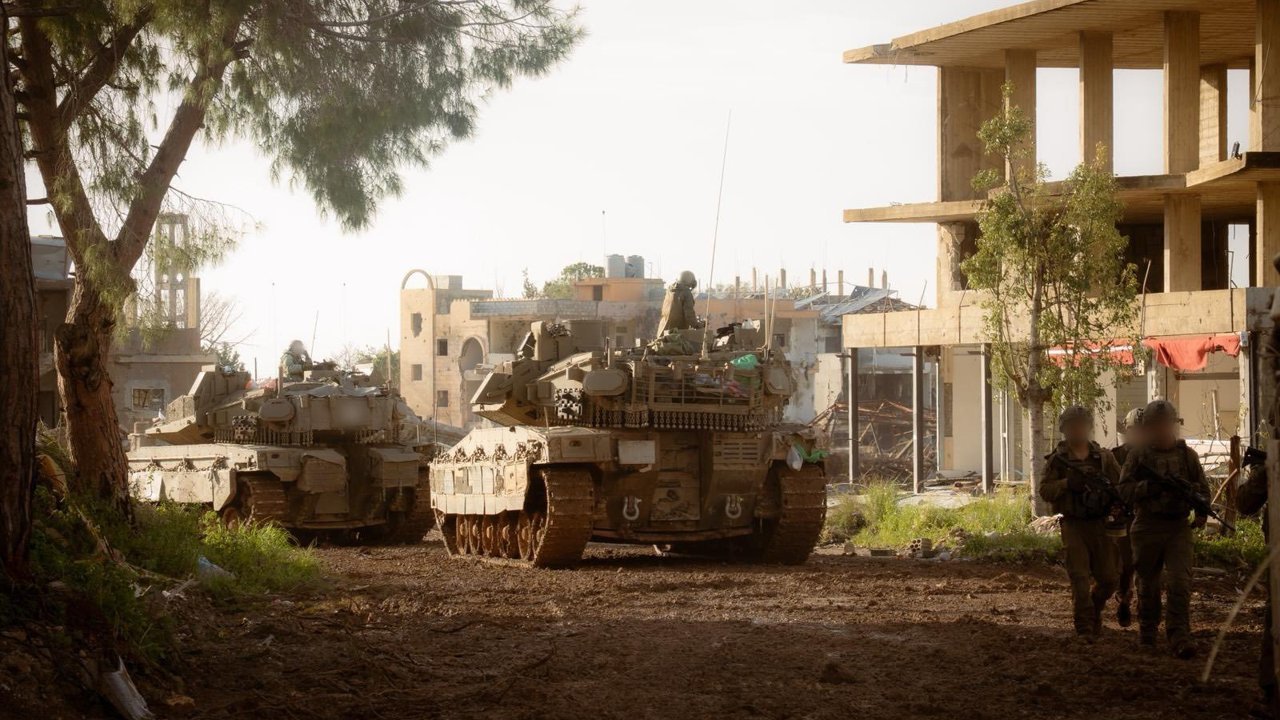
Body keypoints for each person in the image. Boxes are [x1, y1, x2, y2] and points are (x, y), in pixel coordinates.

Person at [1117, 399, 1209, 659]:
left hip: (1178, 526)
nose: (1161, 430)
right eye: (1155, 425)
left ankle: (1179, 634)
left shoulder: (1187, 456)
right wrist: (1148, 488)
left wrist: (1201, 509)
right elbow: (1123, 491)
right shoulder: (1138, 456)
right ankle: (1147, 632)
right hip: (1147, 525)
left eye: (1165, 424)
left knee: (1180, 581)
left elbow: (1203, 489)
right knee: (1148, 584)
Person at [1039, 406, 1121, 639]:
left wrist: (1116, 502)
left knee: (1109, 578)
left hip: (1101, 524)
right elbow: (1045, 491)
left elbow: (1120, 485)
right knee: (1079, 576)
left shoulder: (1103, 458)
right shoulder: (1058, 460)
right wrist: (1067, 484)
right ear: (1064, 429)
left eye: (1081, 425)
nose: (1077, 430)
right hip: (1074, 524)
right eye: (1072, 426)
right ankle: (1084, 625)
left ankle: (1094, 607)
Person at [1239, 459, 1277, 718]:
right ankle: (1272, 692)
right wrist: (1265, 473)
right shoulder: (1273, 464)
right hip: (1278, 559)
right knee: (1276, 619)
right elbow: (1244, 504)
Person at [1109, 407, 1145, 628]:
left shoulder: (1153, 454)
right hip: (1123, 518)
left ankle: (1143, 604)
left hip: (1147, 517)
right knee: (1124, 563)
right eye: (1135, 430)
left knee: (1145, 563)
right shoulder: (1116, 455)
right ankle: (1124, 596)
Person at [655, 270, 704, 336]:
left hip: (663, 332)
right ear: (689, 282)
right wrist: (698, 325)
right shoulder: (686, 292)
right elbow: (689, 316)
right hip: (676, 334)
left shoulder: (670, 291)